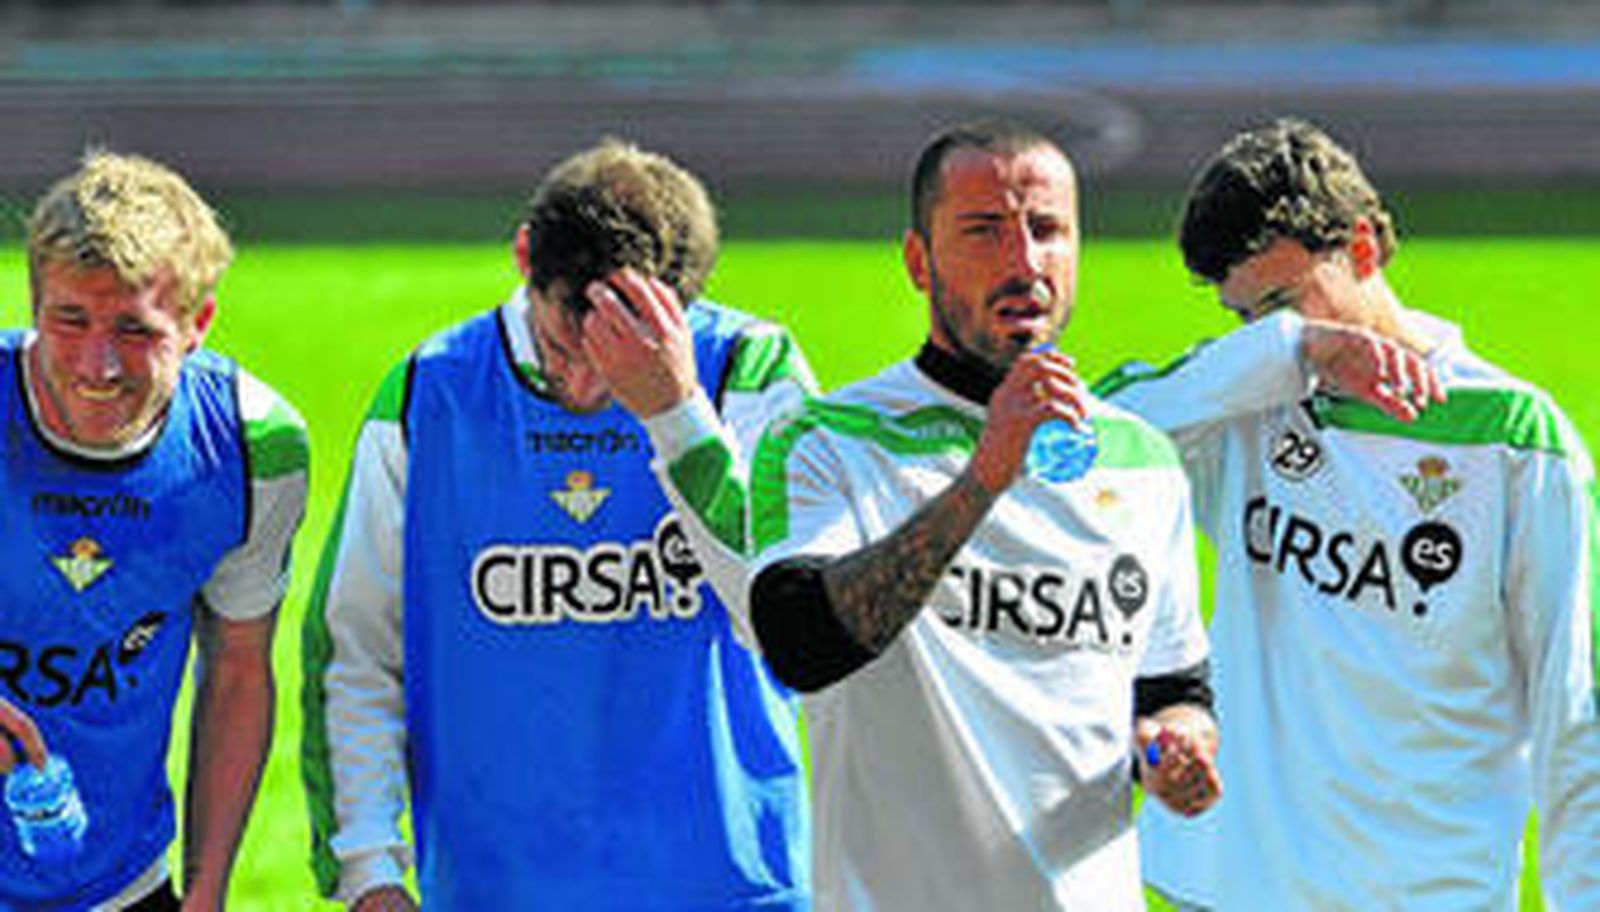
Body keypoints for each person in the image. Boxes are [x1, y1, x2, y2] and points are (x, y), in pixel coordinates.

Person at [301, 139, 815, 911]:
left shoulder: (751, 370)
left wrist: (674, 412)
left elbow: (790, 627)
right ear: (522, 258)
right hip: (496, 891)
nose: (582, 381)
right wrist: (369, 869)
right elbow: (355, 647)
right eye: (562, 345)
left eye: (618, 358)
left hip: (732, 887)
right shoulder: (428, 391)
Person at [1100, 118, 1600, 909]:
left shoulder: (1516, 439)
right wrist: (1293, 349)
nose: (1267, 332)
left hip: (1425, 892)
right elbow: (1080, 443)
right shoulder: (1250, 401)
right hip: (1236, 887)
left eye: (1285, 302)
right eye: (1246, 319)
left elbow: (1576, 712)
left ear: (1362, 248)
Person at [734, 119, 1220, 911]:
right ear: (919, 262)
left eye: (1048, 229)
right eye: (986, 231)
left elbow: (1169, 687)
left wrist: (1179, 747)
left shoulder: (1140, 459)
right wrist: (983, 480)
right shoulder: (832, 440)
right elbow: (799, 643)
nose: (1025, 261)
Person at [0, 150, 306, 909]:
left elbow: (237, 671)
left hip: (119, 884)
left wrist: (205, 891)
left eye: (134, 330)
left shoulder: (252, 444)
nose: (97, 365)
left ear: (198, 322)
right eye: (69, 320)